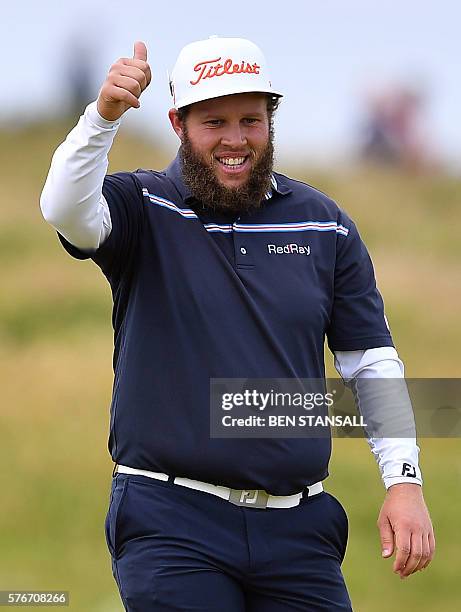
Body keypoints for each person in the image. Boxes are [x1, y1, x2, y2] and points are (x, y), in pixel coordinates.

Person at [40, 36, 435, 611]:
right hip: (171, 523)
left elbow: (369, 360)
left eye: (251, 120)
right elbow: (65, 209)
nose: (235, 140)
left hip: (300, 531)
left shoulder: (324, 225)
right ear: (178, 123)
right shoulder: (143, 204)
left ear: (270, 121)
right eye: (214, 122)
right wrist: (102, 118)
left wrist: (403, 480)